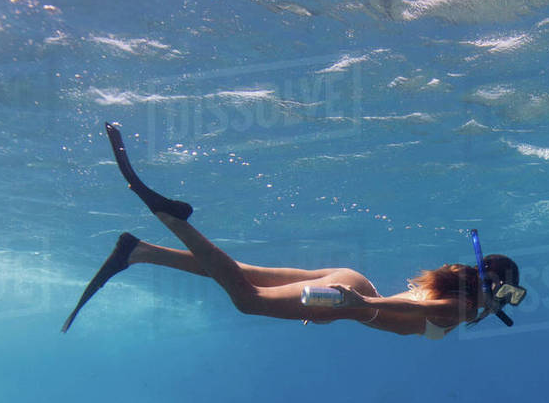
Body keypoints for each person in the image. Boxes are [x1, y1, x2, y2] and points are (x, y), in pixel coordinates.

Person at [62, 123, 525, 337]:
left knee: (246, 272)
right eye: (511, 295)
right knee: (248, 299)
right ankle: (173, 220)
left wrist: (353, 300)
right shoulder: (466, 307)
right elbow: (405, 309)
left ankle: (139, 251)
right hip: (351, 298)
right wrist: (356, 305)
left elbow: (414, 306)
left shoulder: (464, 295)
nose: (507, 303)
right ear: (499, 288)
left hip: (349, 284)